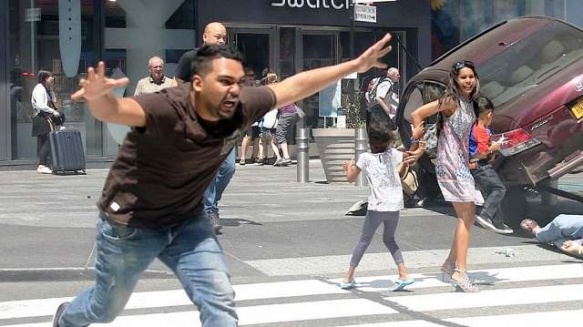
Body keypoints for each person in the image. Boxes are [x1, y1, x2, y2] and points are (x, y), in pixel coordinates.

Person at [51, 35, 394, 327]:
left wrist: (355, 66)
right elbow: (117, 111)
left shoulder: (243, 103)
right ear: (198, 84)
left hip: (186, 220)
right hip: (131, 222)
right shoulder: (167, 107)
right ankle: (66, 318)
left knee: (220, 305)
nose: (235, 91)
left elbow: (294, 86)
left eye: (240, 82)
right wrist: (99, 98)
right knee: (105, 307)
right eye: (225, 82)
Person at [409, 60, 483, 293]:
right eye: (463, 77)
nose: (468, 81)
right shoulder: (451, 101)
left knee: (467, 217)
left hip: (460, 162)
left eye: (471, 76)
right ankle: (460, 272)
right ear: (455, 80)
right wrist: (418, 142)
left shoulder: (470, 103)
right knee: (466, 215)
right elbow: (417, 113)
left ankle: (450, 265)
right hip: (450, 163)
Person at [340, 115, 417, 292]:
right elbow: (409, 155)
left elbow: (351, 178)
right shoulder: (393, 154)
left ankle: (348, 277)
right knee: (389, 239)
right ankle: (403, 273)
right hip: (395, 205)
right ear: (388, 141)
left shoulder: (366, 158)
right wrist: (414, 138)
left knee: (364, 240)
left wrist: (347, 168)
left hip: (377, 206)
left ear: (370, 141)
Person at [175, 22, 231, 234]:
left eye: (224, 37)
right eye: (218, 37)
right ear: (205, 37)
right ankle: (209, 210)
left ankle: (207, 203)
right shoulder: (190, 58)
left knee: (228, 168)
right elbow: (178, 83)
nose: (221, 41)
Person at [469, 96, 513, 234]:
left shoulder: (475, 127)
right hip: (481, 166)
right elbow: (482, 152)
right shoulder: (480, 130)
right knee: (499, 189)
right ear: (488, 113)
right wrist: (494, 146)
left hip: (478, 166)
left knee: (492, 192)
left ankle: (498, 222)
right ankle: (485, 214)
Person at [31, 70, 61, 174]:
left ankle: (44, 164)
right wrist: (53, 111)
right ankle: (42, 165)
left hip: (44, 118)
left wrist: (51, 91)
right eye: (50, 77)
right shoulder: (40, 89)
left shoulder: (46, 89)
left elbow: (54, 102)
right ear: (45, 78)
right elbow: (41, 105)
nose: (52, 78)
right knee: (47, 140)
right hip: (42, 118)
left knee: (44, 141)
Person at [238, 67, 260, 165]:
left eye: (253, 76)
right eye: (249, 76)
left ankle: (254, 157)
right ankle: (242, 157)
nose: (252, 78)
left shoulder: (254, 87)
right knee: (248, 135)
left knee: (256, 136)